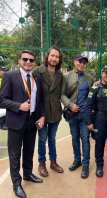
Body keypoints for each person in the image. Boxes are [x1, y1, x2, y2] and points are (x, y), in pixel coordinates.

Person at [0, 50, 45, 198]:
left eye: (31, 60)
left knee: (29, 150)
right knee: (14, 154)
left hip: (32, 121)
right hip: (16, 121)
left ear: (34, 63)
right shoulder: (10, 76)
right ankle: (16, 184)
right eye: (25, 59)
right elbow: (2, 100)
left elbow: (39, 101)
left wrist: (42, 116)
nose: (28, 62)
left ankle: (27, 174)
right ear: (19, 60)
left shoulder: (36, 78)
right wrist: (19, 106)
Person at [61, 54, 94, 179]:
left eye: (84, 62)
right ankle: (77, 160)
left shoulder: (90, 78)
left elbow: (92, 95)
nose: (82, 64)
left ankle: (85, 165)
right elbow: (62, 94)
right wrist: (70, 105)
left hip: (85, 115)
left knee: (85, 139)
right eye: (80, 61)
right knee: (75, 138)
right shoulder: (67, 76)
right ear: (74, 62)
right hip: (72, 114)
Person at [33, 47, 64, 177]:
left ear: (59, 59)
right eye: (52, 56)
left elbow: (61, 94)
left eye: (57, 57)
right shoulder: (37, 71)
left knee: (52, 138)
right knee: (42, 139)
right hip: (41, 113)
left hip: (55, 112)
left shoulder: (60, 74)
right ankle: (41, 163)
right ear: (47, 56)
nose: (54, 59)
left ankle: (53, 161)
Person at [84, 65, 107, 178]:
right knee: (99, 144)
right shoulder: (95, 88)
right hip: (100, 119)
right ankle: (99, 166)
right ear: (102, 73)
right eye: (106, 73)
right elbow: (88, 106)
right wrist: (89, 122)